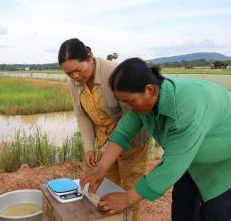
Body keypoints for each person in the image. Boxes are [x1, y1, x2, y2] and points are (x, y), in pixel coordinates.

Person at [80, 57, 231, 220]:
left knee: (215, 212)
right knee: (182, 205)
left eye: (129, 101)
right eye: (123, 102)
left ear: (150, 90)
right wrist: (100, 170)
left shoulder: (187, 112)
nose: (128, 108)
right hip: (190, 160)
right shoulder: (147, 101)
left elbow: (170, 167)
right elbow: (122, 133)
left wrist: (128, 197)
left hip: (222, 163)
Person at [58, 38, 150, 220]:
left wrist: (110, 144)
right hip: (103, 139)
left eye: (77, 70)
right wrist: (89, 147)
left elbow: (131, 114)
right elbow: (81, 115)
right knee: (104, 185)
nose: (75, 77)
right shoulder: (74, 82)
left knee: (130, 189)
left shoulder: (114, 74)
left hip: (130, 140)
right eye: (69, 74)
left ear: (90, 58)